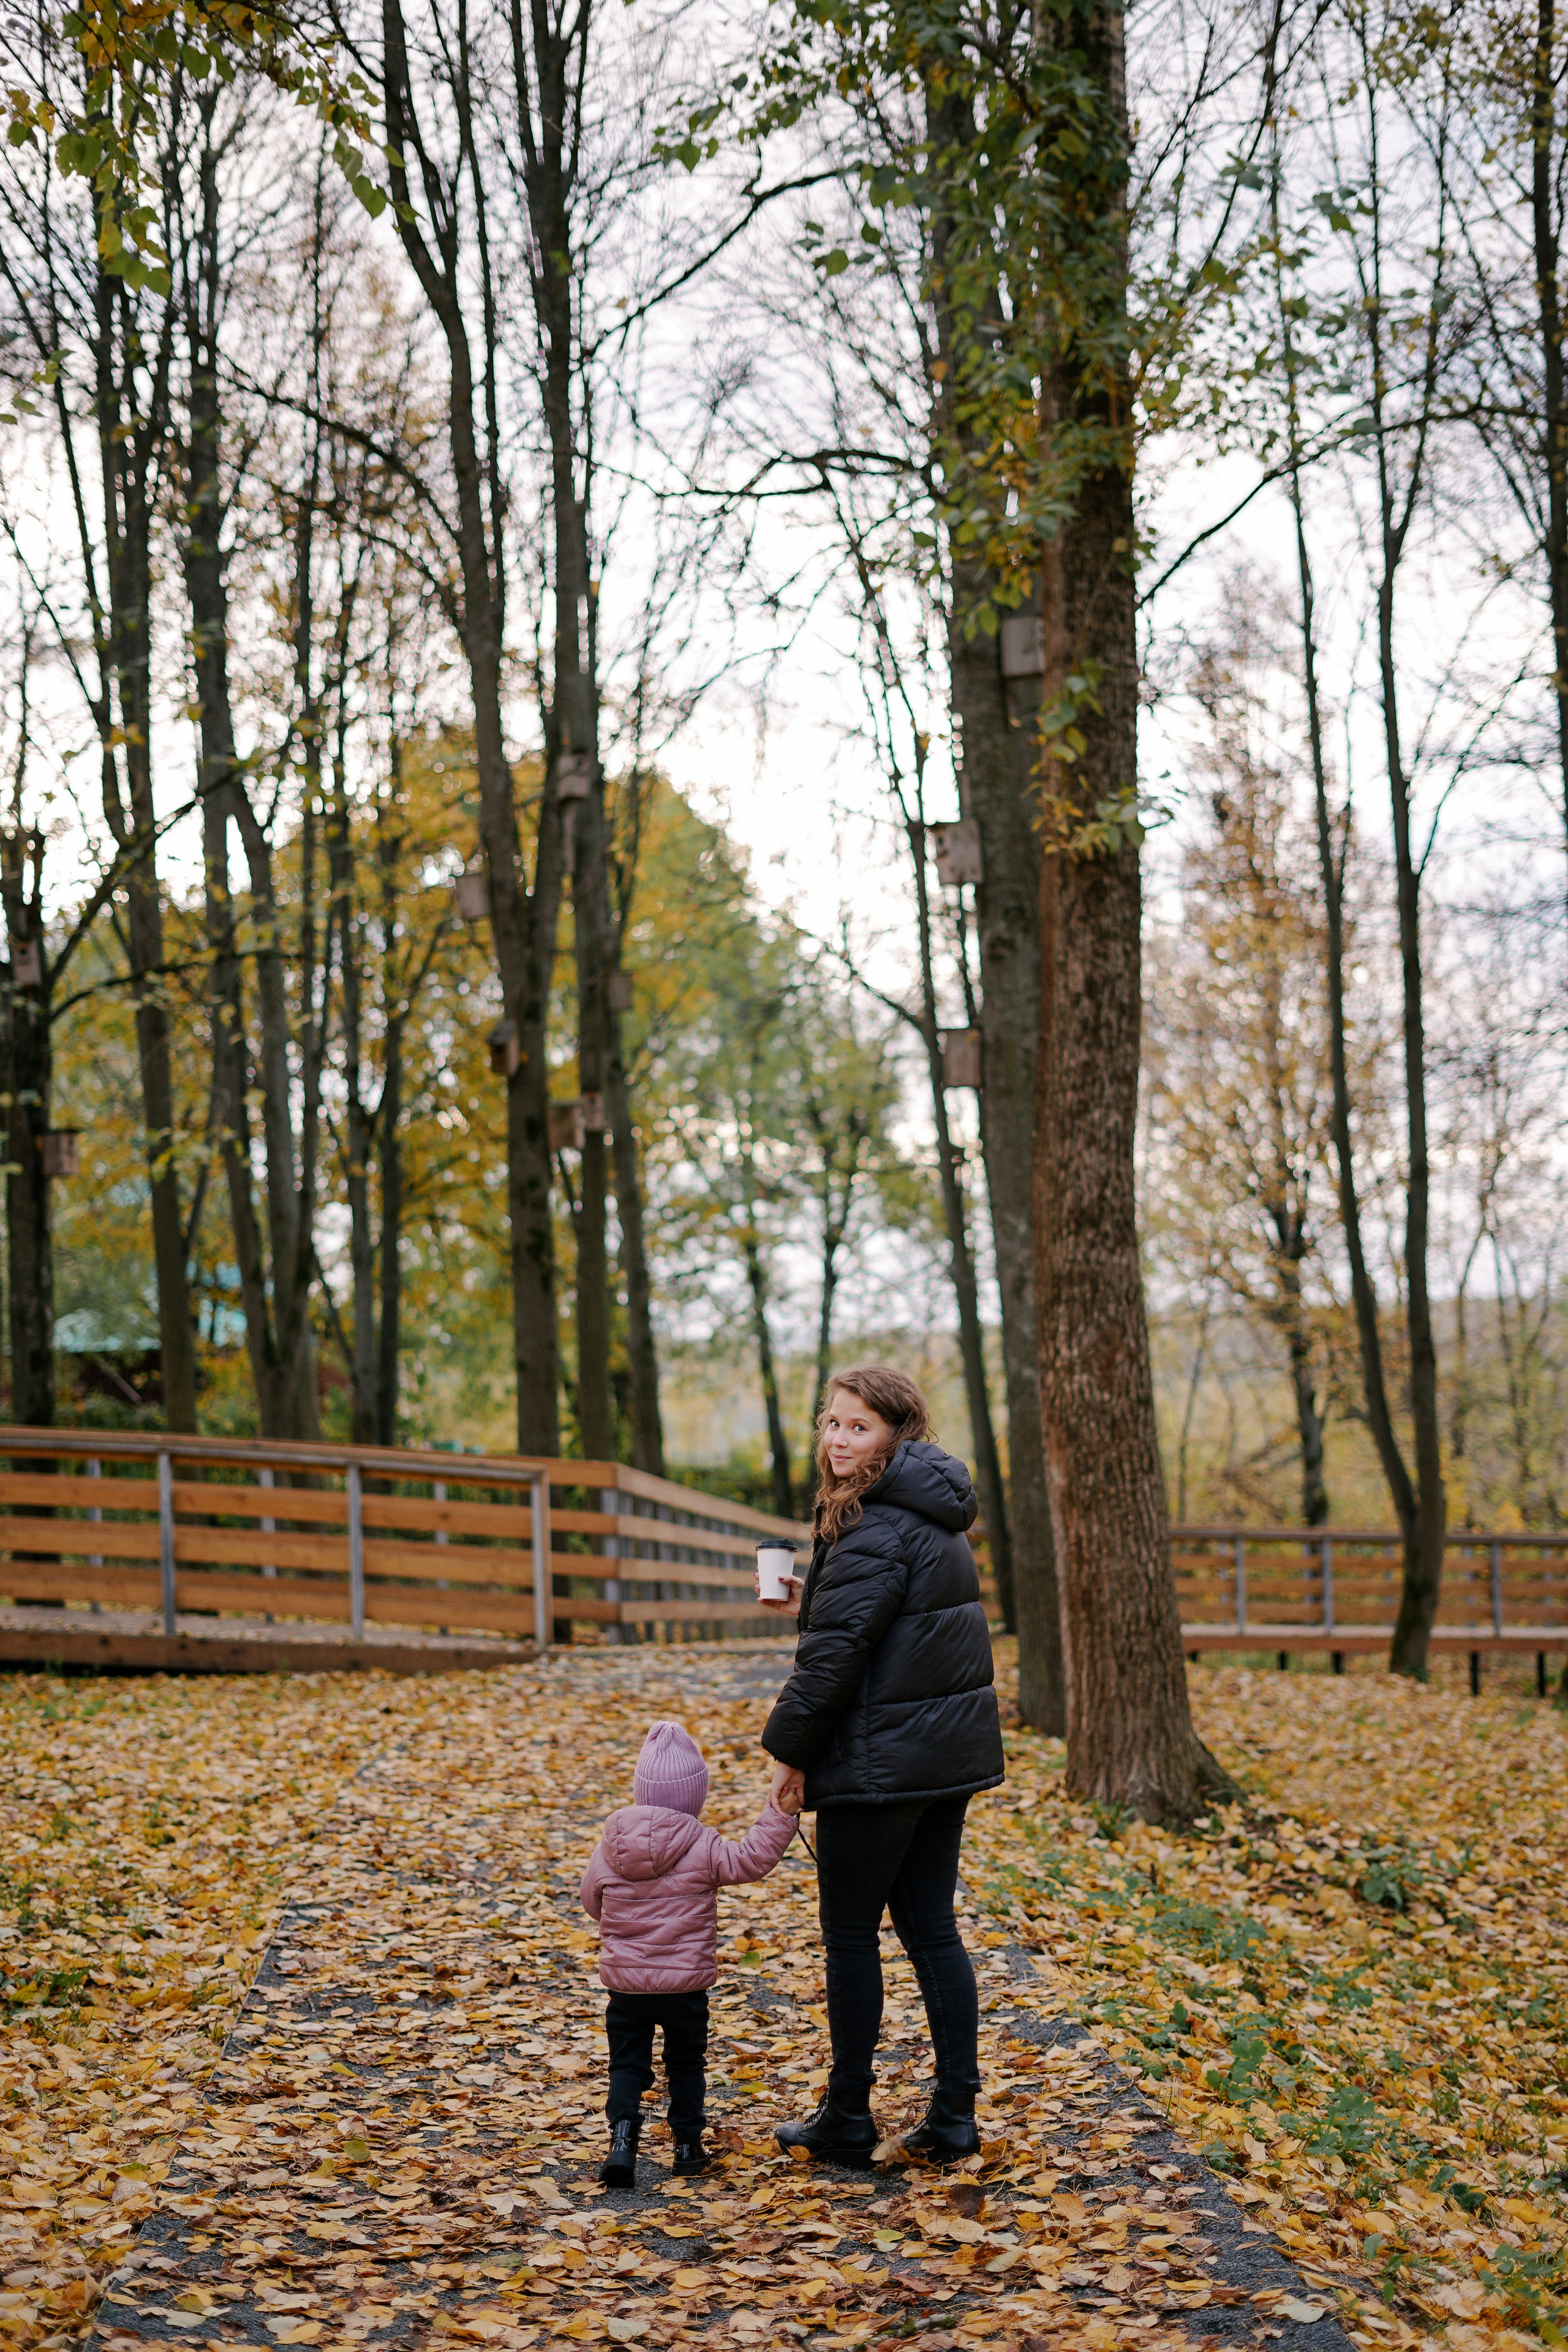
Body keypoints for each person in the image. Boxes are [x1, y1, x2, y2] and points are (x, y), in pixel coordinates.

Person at [757, 1366, 1004, 2167]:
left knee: (850, 1934)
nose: (838, 1440)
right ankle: (954, 2116)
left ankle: (848, 2115)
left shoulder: (872, 1524)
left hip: (881, 1762)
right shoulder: (930, 1514)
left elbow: (833, 1661)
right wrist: (816, 1596)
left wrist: (789, 1754)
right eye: (831, 1423)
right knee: (932, 1930)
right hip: (940, 1757)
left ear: (897, 1435)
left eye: (858, 1427)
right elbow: (887, 1623)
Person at [579, 1719, 797, 2185]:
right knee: (685, 2063)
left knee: (627, 2062)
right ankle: (687, 2147)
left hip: (627, 1987)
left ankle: (622, 2142)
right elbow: (752, 1860)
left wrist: (625, 1930)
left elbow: (592, 1902)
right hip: (685, 1987)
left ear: (641, 1790)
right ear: (695, 1796)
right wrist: (778, 1814)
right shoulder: (703, 1845)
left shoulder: (611, 1846)